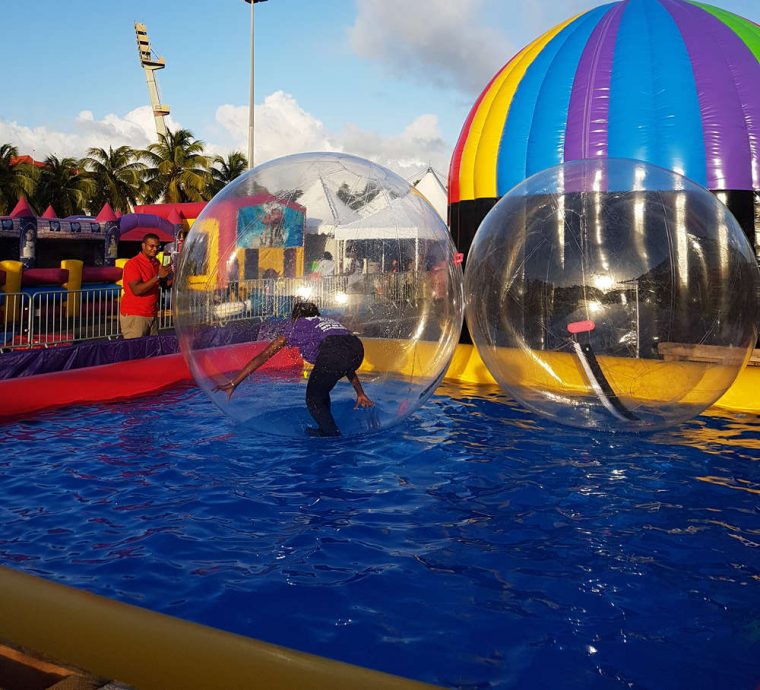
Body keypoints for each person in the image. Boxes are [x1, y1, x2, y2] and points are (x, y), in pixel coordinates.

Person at [218, 301, 374, 436]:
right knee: (320, 391)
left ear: (295, 317)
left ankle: (332, 437)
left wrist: (234, 383)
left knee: (312, 398)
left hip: (334, 353)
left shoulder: (297, 326)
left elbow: (263, 357)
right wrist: (360, 392)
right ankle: (325, 428)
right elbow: (344, 355)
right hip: (357, 348)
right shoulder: (327, 322)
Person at [120, 233, 173, 339]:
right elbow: (136, 290)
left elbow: (164, 285)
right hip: (135, 314)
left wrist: (173, 274)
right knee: (135, 351)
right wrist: (158, 276)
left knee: (151, 351)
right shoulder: (133, 264)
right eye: (151, 246)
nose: (155, 249)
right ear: (143, 246)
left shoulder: (156, 263)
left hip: (151, 313)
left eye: (157, 246)